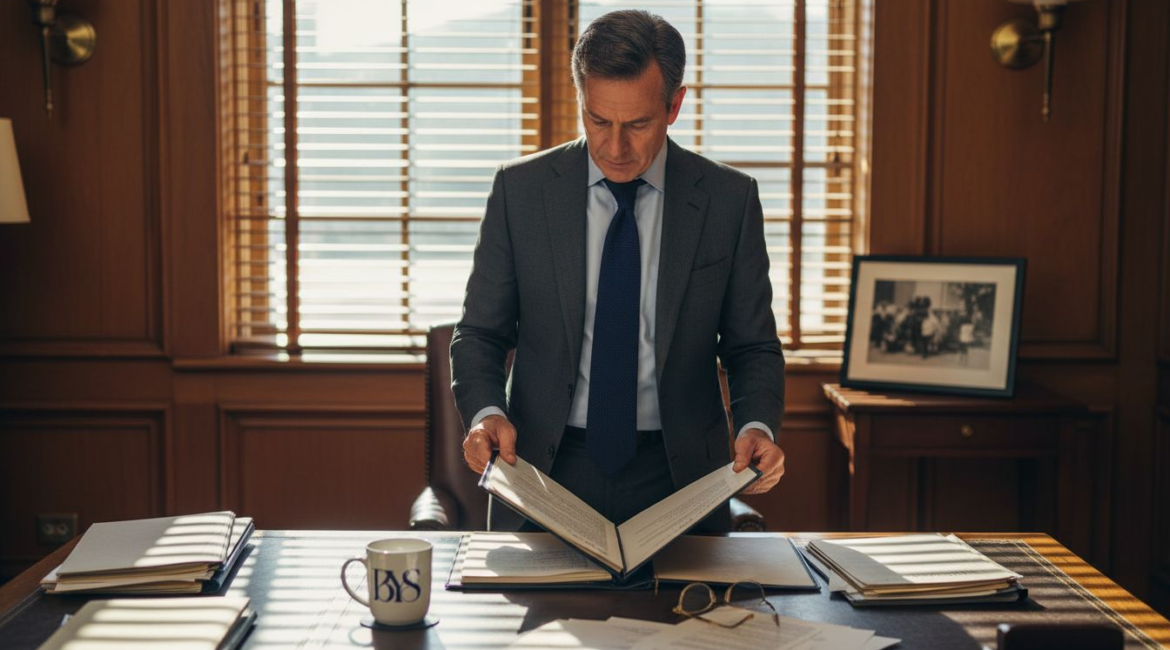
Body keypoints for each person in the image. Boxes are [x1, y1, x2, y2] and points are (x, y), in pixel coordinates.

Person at [450, 10, 786, 532]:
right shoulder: (520, 193)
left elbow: (752, 346)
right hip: (543, 469)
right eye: (598, 120)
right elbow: (478, 334)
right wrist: (485, 413)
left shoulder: (729, 201)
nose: (614, 147)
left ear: (674, 105)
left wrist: (757, 424)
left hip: (680, 478)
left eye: (637, 124)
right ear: (581, 99)